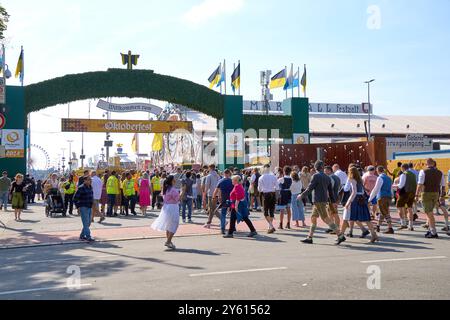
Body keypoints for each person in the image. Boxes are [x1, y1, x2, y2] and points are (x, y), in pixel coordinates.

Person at [299, 161, 340, 245]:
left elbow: (310, 188)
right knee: (313, 218)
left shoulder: (316, 176)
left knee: (325, 219)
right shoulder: (327, 177)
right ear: (322, 167)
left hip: (318, 200)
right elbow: (331, 192)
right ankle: (309, 237)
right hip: (322, 200)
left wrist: (301, 195)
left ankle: (340, 235)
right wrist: (333, 202)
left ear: (315, 167)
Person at [337, 167, 379, 245]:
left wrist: (348, 202)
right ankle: (374, 234)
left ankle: (341, 235)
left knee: (346, 218)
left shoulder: (352, 179)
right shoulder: (359, 179)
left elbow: (354, 192)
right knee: (366, 219)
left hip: (355, 200)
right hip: (361, 199)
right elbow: (362, 190)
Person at [416, 158, 445, 239]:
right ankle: (430, 229)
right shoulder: (440, 172)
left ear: (427, 163)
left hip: (426, 193)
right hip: (436, 193)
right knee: (430, 211)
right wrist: (442, 195)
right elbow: (443, 185)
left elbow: (420, 184)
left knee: (429, 213)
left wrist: (416, 195)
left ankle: (433, 231)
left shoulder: (423, 171)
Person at [151, 175, 180, 250]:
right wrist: (182, 192)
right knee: (174, 224)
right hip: (172, 207)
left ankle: (169, 241)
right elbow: (177, 199)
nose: (175, 180)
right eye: (174, 179)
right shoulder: (173, 190)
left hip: (166, 207)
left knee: (169, 225)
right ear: (171, 181)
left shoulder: (165, 188)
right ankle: (168, 241)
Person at [368, 166, 395, 234]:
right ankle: (378, 226)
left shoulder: (380, 178)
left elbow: (376, 189)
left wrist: (370, 199)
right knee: (382, 212)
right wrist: (392, 196)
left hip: (382, 197)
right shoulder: (389, 178)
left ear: (378, 171)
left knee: (385, 212)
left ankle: (390, 228)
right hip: (388, 196)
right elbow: (391, 188)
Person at [394, 163, 418, 231]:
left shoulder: (403, 174)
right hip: (412, 192)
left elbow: (401, 185)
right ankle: (410, 225)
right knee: (410, 208)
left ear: (402, 168)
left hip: (405, 192)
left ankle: (403, 224)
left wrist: (394, 186)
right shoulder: (413, 174)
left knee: (399, 206)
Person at [211, 169, 234, 234]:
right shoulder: (232, 181)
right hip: (232, 200)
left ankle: (222, 229)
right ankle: (233, 227)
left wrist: (213, 197)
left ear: (224, 173)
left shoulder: (221, 181)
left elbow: (216, 190)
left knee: (223, 214)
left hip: (223, 200)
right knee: (233, 213)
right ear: (229, 173)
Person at [73, 175, 95, 242]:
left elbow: (91, 197)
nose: (90, 181)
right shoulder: (81, 188)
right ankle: (88, 236)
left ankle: (82, 236)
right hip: (83, 207)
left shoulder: (90, 187)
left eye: (90, 180)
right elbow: (75, 199)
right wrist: (78, 207)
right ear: (84, 180)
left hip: (89, 207)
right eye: (88, 180)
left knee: (88, 223)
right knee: (85, 223)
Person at [258, 164, 278, 233]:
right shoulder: (273, 176)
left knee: (265, 212)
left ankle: (271, 226)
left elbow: (259, 189)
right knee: (271, 211)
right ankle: (270, 226)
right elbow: (277, 187)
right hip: (273, 193)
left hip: (266, 194)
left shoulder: (261, 177)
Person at [325, 166, 341, 233]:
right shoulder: (337, 177)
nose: (324, 172)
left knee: (334, 213)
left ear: (329, 171)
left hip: (331, 198)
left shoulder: (330, 178)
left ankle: (336, 228)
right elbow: (339, 187)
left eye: (326, 171)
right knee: (330, 213)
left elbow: (329, 189)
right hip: (336, 196)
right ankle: (332, 227)